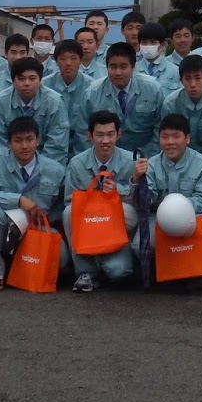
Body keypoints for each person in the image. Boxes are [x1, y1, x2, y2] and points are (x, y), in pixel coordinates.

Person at [0, 114, 69, 292]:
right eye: (18, 140)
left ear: (38, 140)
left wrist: (44, 218)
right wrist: (18, 200)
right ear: (9, 143)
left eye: (29, 139)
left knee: (61, 259)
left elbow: (62, 203)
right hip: (3, 226)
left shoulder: (55, 170)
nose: (25, 146)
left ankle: (20, 268)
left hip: (37, 227)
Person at [62, 110, 149, 292]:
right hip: (90, 222)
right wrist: (94, 198)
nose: (105, 141)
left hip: (116, 224)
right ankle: (85, 270)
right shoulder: (77, 163)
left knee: (119, 272)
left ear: (119, 135)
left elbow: (141, 205)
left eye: (110, 134)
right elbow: (69, 200)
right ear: (89, 136)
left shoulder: (131, 161)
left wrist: (123, 189)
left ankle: (105, 257)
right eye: (99, 135)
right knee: (69, 212)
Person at [145, 113, 202, 246]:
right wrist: (136, 181)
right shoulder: (151, 164)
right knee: (141, 243)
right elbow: (146, 200)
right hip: (159, 216)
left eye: (176, 136)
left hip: (195, 214)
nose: (170, 142)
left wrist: (177, 209)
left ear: (187, 138)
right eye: (165, 137)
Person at [85, 42, 166, 156]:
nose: (118, 72)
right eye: (113, 67)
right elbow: (84, 133)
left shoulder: (153, 89)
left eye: (124, 67)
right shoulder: (92, 93)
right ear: (106, 67)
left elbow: (160, 128)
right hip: (106, 155)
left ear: (133, 67)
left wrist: (153, 158)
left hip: (146, 155)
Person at [0, 55, 71, 163]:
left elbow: (57, 147)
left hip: (46, 163)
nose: (27, 83)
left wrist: (38, 169)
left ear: (40, 80)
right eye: (21, 79)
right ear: (12, 81)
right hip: (8, 164)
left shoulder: (54, 102)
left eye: (32, 78)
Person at [135, 23, 180, 91]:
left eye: (153, 43)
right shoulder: (134, 70)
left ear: (162, 45)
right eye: (144, 43)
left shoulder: (175, 71)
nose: (148, 46)